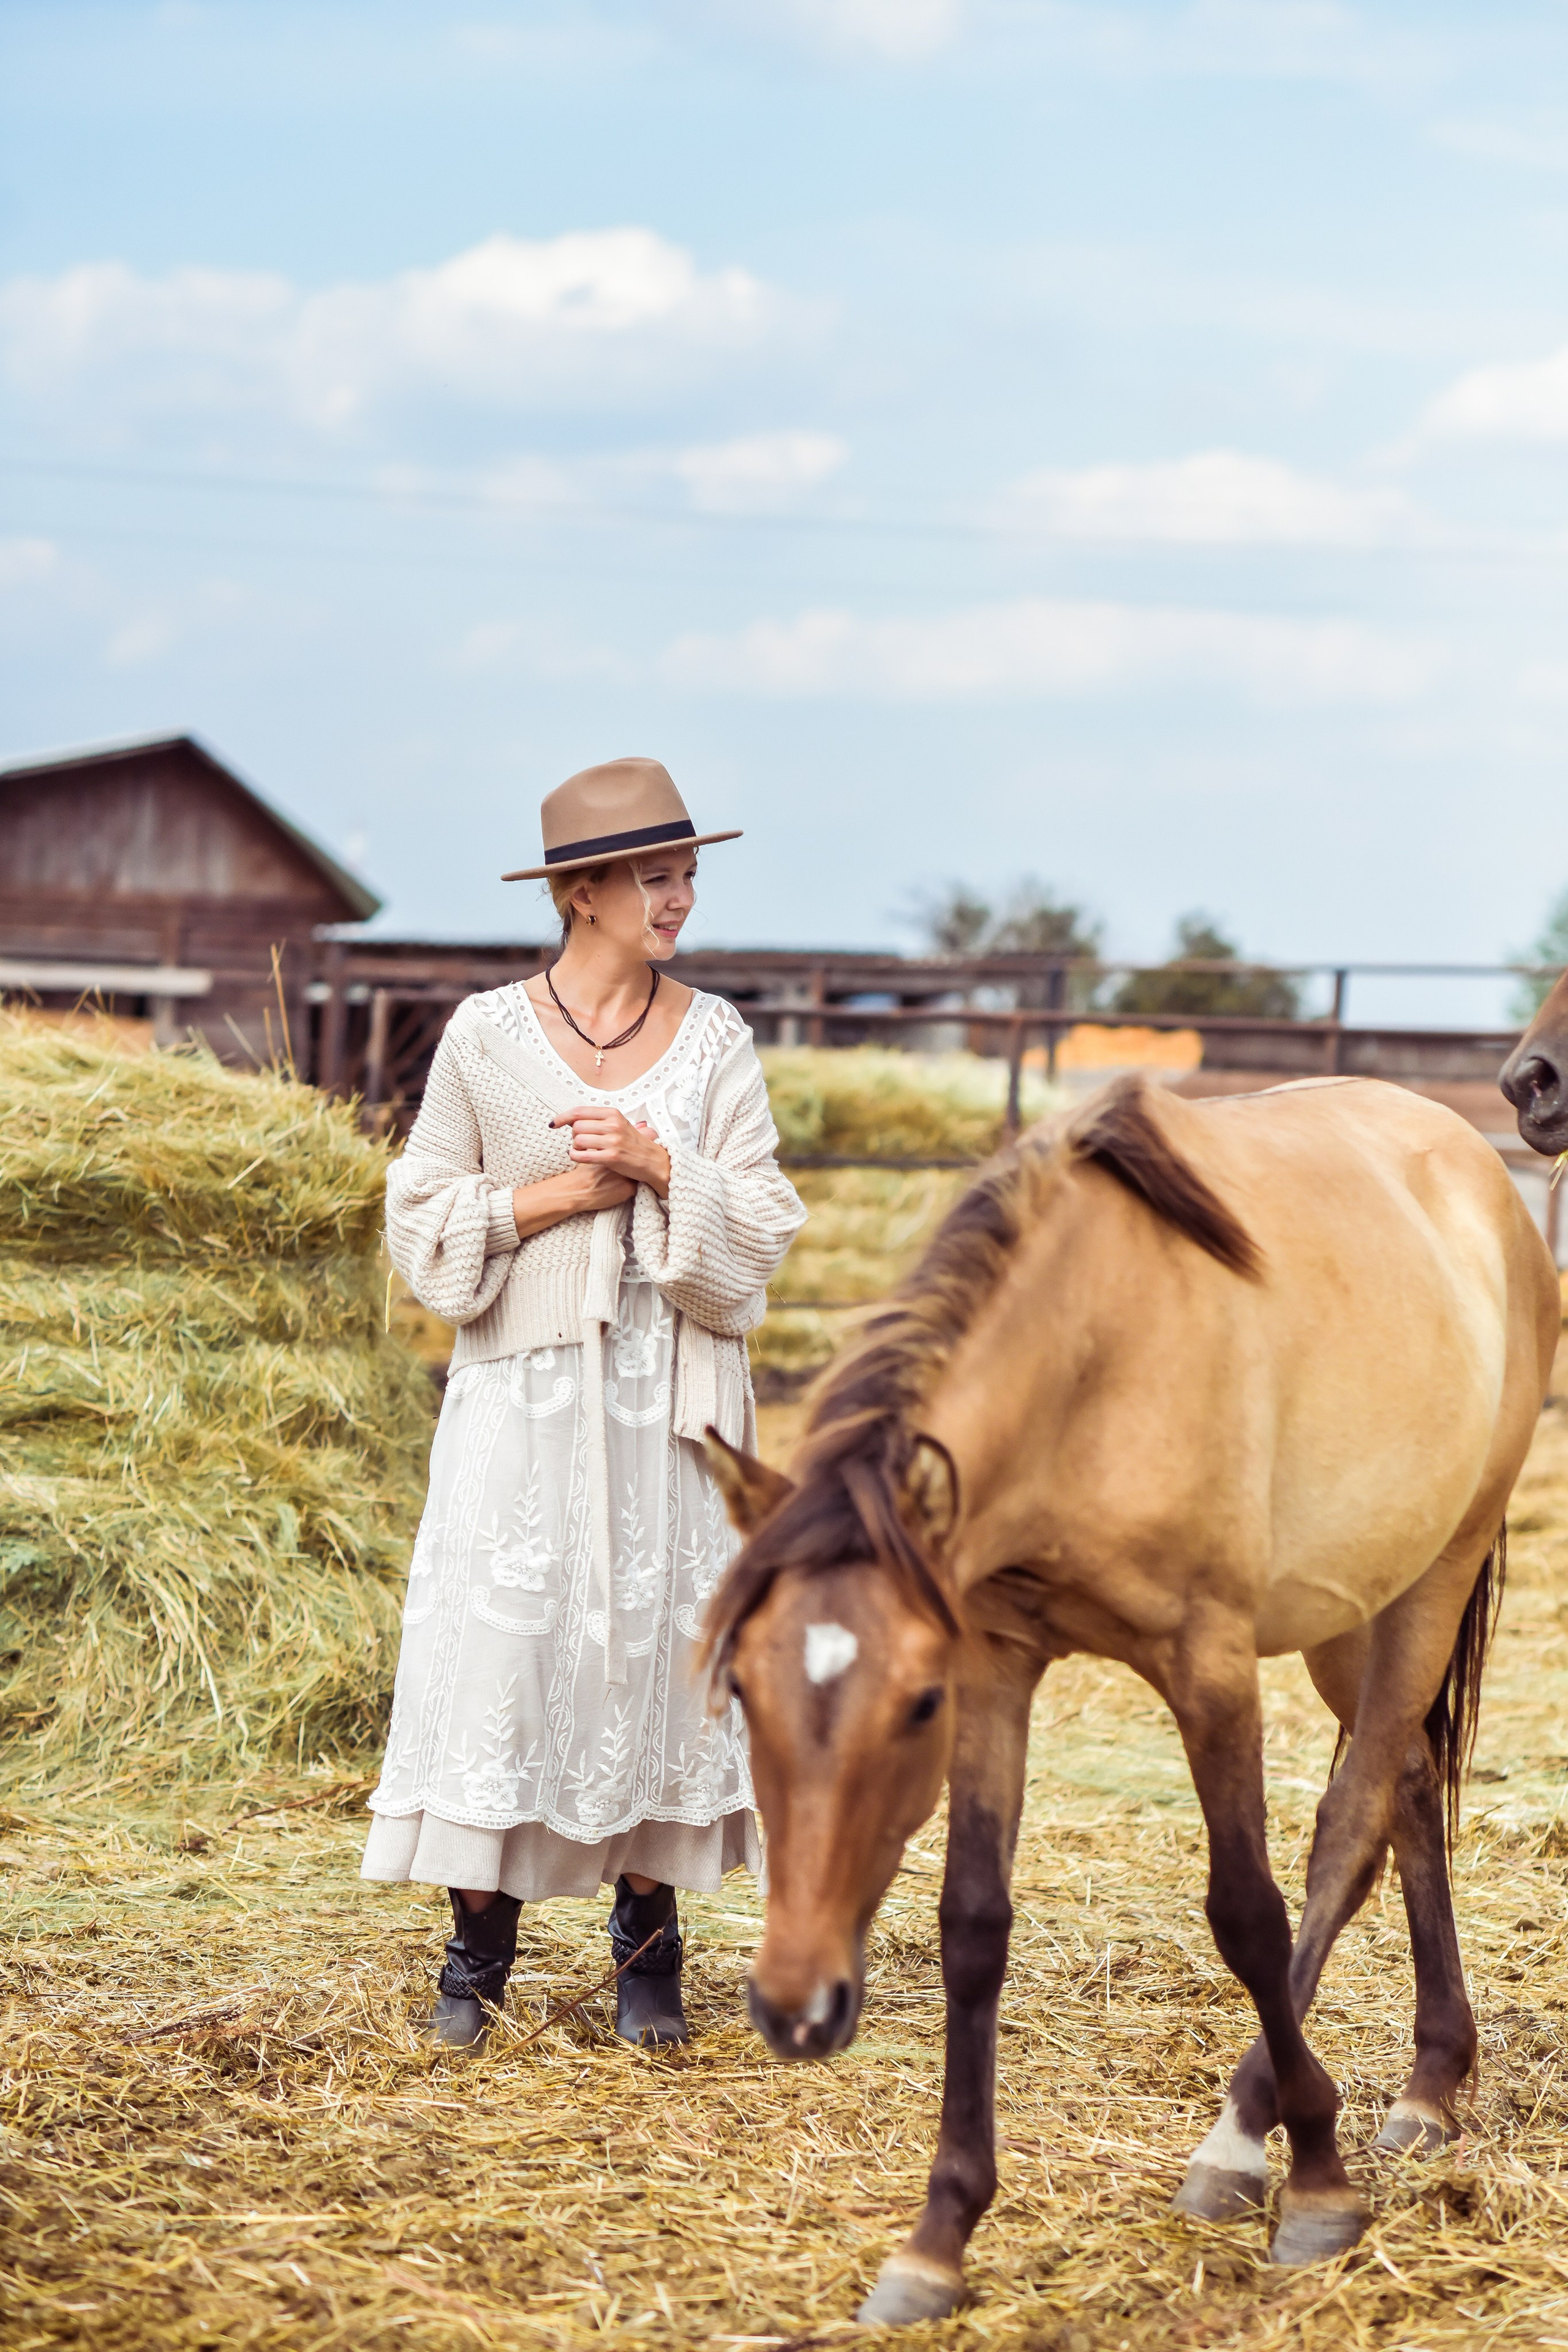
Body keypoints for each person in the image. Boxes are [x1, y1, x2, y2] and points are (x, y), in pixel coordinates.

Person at [361, 758, 804, 2048]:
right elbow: (420, 1212)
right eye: (655, 879)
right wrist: (553, 1197)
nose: (678, 900)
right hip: (522, 1395)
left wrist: (662, 1164)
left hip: (667, 1404)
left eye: (686, 877)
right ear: (581, 892)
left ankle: (648, 1950)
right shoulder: (484, 1037)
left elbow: (764, 1220)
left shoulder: (716, 1038)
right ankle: (475, 1957)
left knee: (659, 1659)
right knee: (505, 1650)